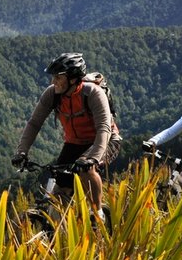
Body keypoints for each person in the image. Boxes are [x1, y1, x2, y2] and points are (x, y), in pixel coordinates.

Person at [12, 52, 121, 219]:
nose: (53, 81)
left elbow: (104, 128)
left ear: (73, 79)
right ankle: (58, 231)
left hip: (105, 140)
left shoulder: (93, 93)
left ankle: (98, 215)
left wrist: (92, 159)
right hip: (74, 143)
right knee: (59, 190)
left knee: (87, 170)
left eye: (58, 77)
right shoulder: (52, 94)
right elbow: (34, 123)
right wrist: (22, 152)